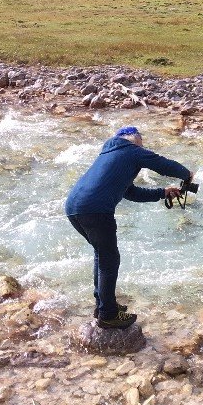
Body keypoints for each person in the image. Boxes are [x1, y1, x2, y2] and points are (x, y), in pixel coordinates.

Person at [65, 125, 194, 329]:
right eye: (142, 142)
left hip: (74, 207)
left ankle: (102, 306)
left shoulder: (112, 155)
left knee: (102, 255)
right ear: (133, 138)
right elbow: (163, 165)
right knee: (109, 259)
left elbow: (130, 193)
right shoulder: (130, 149)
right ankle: (108, 315)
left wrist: (163, 192)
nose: (143, 148)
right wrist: (186, 174)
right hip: (96, 209)